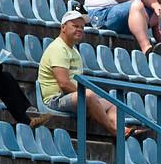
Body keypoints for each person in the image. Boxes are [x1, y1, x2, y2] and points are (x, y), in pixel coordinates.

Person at [35, 8, 118, 137]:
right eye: (75, 26)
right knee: (90, 96)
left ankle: (121, 128)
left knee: (112, 103)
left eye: (82, 27)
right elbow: (63, 84)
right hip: (56, 98)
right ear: (63, 27)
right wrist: (86, 98)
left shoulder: (74, 51)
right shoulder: (58, 48)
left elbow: (80, 81)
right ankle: (114, 131)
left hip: (71, 97)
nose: (79, 29)